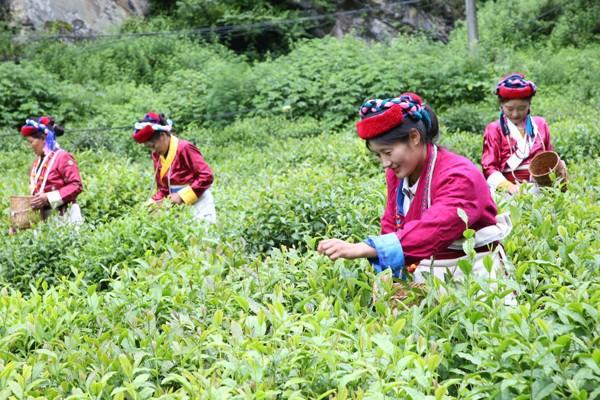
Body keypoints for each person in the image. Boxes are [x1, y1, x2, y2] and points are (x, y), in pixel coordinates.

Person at [317, 94, 512, 285]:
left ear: (414, 137)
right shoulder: (399, 173)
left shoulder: (460, 175)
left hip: (477, 272)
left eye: (387, 152)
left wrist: (367, 247)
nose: (385, 163)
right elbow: (392, 222)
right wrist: (389, 276)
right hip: (428, 272)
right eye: (378, 155)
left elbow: (435, 227)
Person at [482, 73, 562, 194]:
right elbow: (489, 167)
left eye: (521, 108)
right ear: (501, 106)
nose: (515, 114)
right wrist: (508, 187)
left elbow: (550, 158)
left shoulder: (540, 125)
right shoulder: (494, 129)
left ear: (529, 105)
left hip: (540, 188)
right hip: (506, 192)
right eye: (509, 109)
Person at [132, 112, 216, 222]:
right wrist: (152, 203)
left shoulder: (185, 148)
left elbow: (206, 176)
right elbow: (163, 188)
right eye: (149, 148)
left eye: (153, 146)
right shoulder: (157, 155)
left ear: (162, 136)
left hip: (199, 203)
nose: (153, 151)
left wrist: (181, 196)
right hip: (178, 207)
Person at [19, 116, 83, 224]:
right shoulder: (36, 163)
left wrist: (48, 197)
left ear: (44, 138)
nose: (30, 146)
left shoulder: (62, 157)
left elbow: (76, 185)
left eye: (31, 142)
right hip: (44, 220)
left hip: (65, 218)